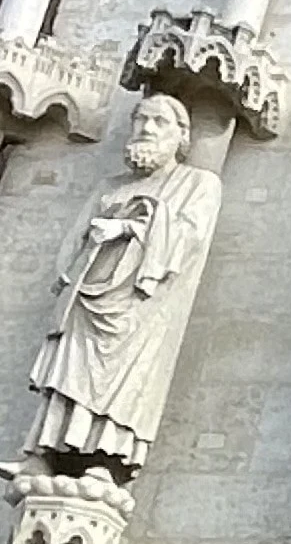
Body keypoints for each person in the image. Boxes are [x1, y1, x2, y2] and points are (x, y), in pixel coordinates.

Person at [26, 96, 219, 474]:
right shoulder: (110, 186)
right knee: (69, 368)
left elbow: (189, 236)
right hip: (89, 291)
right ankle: (42, 455)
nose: (146, 128)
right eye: (140, 119)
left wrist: (128, 227)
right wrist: (70, 266)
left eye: (159, 122)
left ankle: (105, 458)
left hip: (139, 304)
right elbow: (76, 238)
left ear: (183, 136)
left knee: (122, 377)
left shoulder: (198, 183)